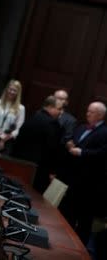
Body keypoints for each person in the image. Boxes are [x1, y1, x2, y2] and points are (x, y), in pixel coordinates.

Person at [59, 101, 107, 245]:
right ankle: (62, 242)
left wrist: (82, 152)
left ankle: (79, 250)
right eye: (88, 111)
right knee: (67, 214)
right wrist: (69, 143)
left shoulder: (105, 132)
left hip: (90, 184)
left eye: (91, 112)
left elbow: (103, 154)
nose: (87, 114)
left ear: (100, 115)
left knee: (84, 220)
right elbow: (70, 139)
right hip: (72, 180)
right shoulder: (81, 127)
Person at [11, 95, 64, 193]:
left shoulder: (32, 117)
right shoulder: (53, 124)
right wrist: (53, 171)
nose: (61, 112)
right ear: (49, 107)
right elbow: (52, 150)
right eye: (59, 109)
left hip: (20, 164)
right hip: (38, 171)